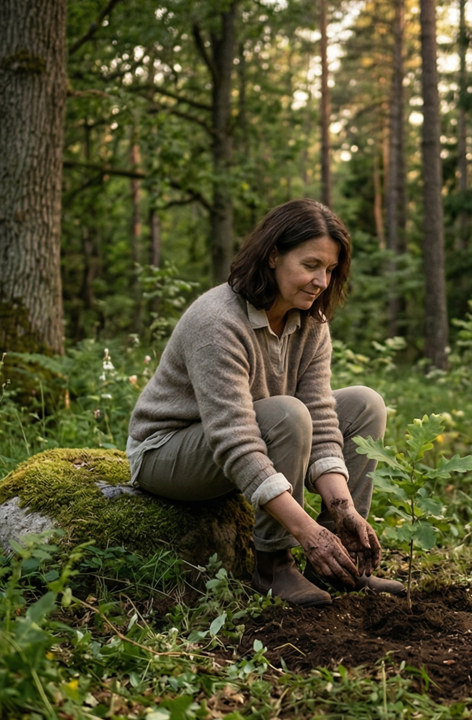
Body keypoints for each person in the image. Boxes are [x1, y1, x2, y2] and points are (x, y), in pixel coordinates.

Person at [126, 199, 405, 607]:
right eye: (310, 265)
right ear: (273, 255)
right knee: (286, 413)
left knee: (365, 404)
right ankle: (274, 565)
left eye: (329, 270)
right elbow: (235, 439)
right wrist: (306, 531)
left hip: (249, 435)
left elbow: (323, 418)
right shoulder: (217, 320)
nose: (321, 281)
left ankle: (339, 560)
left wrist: (341, 509)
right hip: (168, 452)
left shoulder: (311, 322)